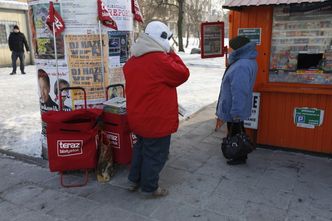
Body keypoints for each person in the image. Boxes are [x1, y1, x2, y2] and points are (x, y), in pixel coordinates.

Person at [123, 21, 190, 197]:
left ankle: (133, 180)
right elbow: (183, 73)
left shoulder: (133, 59)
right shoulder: (160, 60)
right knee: (156, 155)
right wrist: (172, 53)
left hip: (137, 118)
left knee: (141, 149)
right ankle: (149, 188)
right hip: (156, 120)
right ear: (162, 38)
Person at [215, 36, 258, 165]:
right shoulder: (246, 61)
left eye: (231, 48)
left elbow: (239, 91)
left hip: (234, 107)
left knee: (236, 132)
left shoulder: (241, 65)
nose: (228, 50)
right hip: (234, 106)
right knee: (238, 131)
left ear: (238, 49)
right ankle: (239, 154)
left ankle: (239, 155)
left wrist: (237, 112)